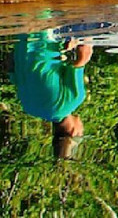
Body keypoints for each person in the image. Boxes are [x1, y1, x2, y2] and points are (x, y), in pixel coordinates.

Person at [11, 30, 92, 159]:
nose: (83, 128)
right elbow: (13, 72)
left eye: (82, 132)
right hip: (21, 37)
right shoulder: (28, 107)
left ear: (73, 132)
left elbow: (83, 54)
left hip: (46, 35)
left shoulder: (74, 100)